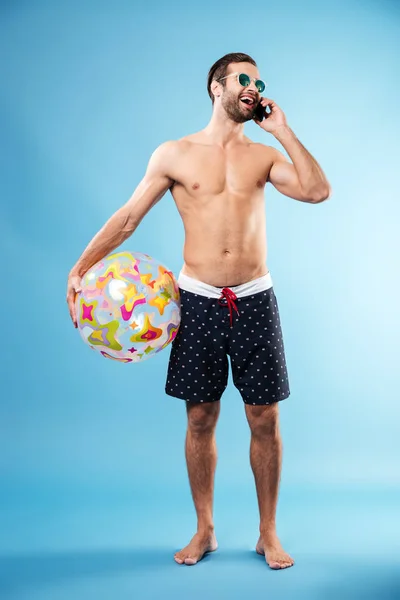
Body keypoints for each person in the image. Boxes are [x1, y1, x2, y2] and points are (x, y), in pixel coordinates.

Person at [67, 52, 331, 570]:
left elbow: (318, 191)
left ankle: (267, 533)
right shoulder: (175, 153)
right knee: (200, 419)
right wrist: (80, 267)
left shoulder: (262, 156)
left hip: (255, 299)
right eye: (243, 79)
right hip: (198, 302)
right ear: (217, 87)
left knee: (265, 419)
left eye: (259, 81)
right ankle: (205, 530)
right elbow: (127, 220)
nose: (253, 87)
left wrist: (283, 130)